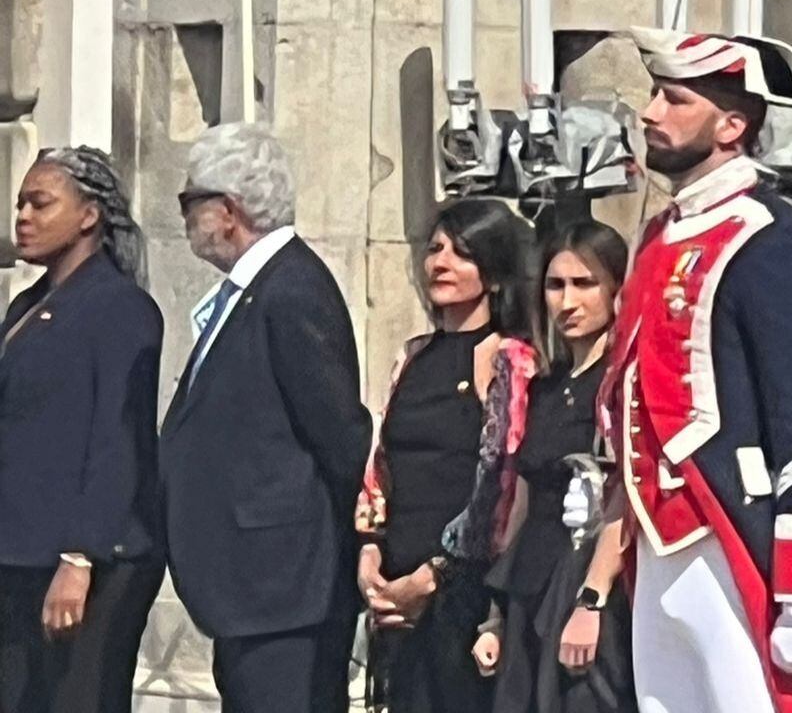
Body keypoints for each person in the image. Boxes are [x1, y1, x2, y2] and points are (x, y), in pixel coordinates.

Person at [588, 27, 792, 713]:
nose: (651, 113)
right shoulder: (662, 234)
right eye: (655, 96)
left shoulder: (772, 240)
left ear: (733, 125)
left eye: (675, 99)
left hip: (733, 525)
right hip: (658, 533)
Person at [160, 123, 373, 713]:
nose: (185, 220)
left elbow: (339, 432)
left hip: (284, 589)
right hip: (250, 589)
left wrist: (358, 545)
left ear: (228, 209)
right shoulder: (252, 291)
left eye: (189, 202)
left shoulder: (292, 289)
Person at [355, 198, 537, 713]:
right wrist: (370, 556)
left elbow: (501, 484)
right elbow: (381, 468)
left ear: (495, 272)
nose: (441, 263)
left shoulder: (509, 358)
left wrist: (434, 576)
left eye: (463, 253)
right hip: (397, 582)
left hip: (465, 590)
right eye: (435, 249)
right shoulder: (411, 356)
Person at [0, 146, 163, 713]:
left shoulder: (120, 307)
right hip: (20, 551)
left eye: (40, 203)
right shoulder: (28, 303)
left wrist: (80, 557)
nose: (22, 216)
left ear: (89, 215)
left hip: (88, 560)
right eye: (20, 203)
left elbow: (117, 437)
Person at [471, 221, 637, 713]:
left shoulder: (621, 382)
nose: (567, 302)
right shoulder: (546, 386)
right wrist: (496, 616)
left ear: (616, 289)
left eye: (584, 284)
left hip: (588, 585)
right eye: (555, 285)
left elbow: (623, 492)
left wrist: (592, 599)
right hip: (529, 585)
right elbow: (521, 502)